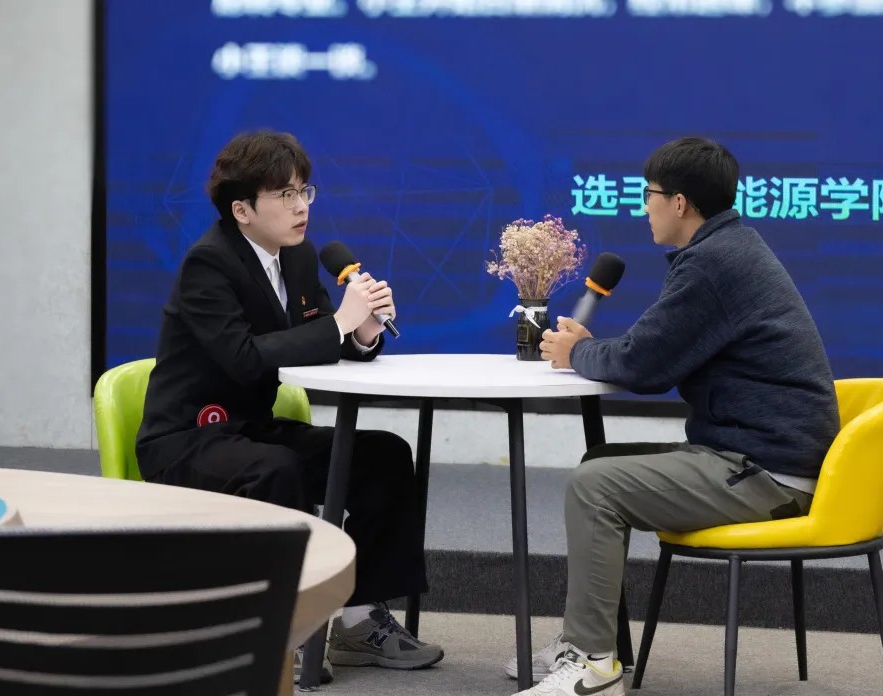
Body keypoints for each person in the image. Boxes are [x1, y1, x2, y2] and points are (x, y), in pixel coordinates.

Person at [511, 137, 840, 696]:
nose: (645, 206)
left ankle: (593, 667)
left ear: (680, 203)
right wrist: (590, 349)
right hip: (759, 458)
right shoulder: (729, 249)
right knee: (599, 462)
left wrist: (577, 352)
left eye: (650, 194)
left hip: (767, 474)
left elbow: (644, 365)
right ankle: (587, 642)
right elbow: (650, 350)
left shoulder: (714, 264)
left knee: (595, 486)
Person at [136, 130, 443, 684]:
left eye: (304, 191)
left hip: (251, 430)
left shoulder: (297, 257)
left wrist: (363, 334)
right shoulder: (208, 264)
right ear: (242, 209)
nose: (301, 206)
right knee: (276, 470)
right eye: (284, 194)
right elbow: (244, 359)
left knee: (383, 455)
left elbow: (320, 337)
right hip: (187, 439)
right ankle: (285, 633)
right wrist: (340, 324)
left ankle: (357, 621)